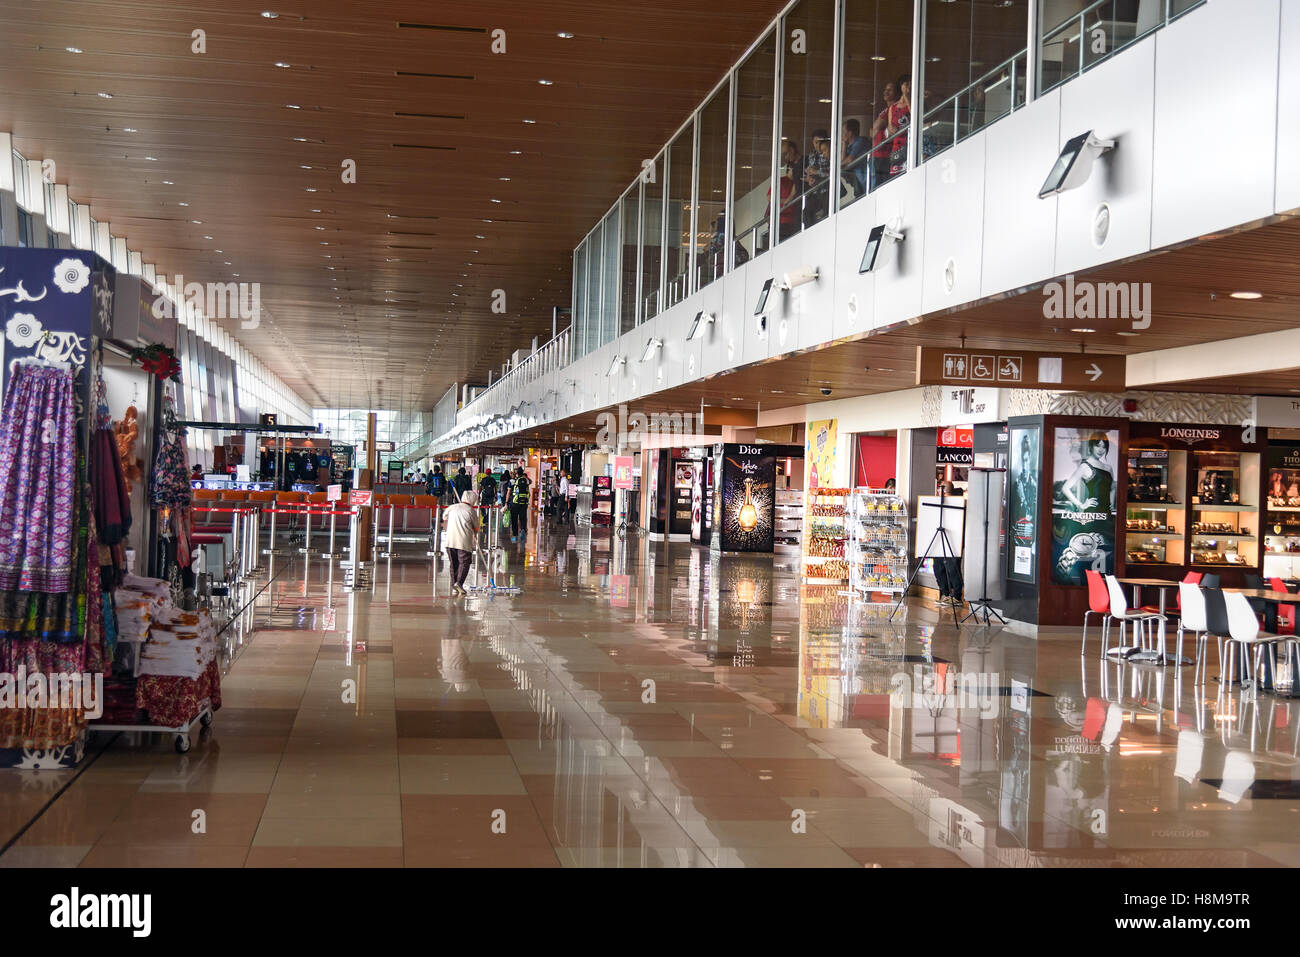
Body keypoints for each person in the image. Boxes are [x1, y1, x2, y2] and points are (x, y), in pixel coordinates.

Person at [442, 489, 480, 597]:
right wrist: (475, 532)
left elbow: (444, 517)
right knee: (464, 562)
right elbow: (476, 527)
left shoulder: (452, 507)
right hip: (463, 541)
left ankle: (454, 584)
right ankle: (459, 583)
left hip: (450, 540)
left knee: (454, 563)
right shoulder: (471, 511)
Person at [935, 481, 965, 606]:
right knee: (938, 567)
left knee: (953, 569)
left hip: (954, 540)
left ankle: (957, 596)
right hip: (939, 540)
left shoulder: (958, 503)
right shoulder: (937, 503)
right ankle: (946, 594)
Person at [841, 118, 871, 198]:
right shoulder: (848, 146)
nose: (842, 134)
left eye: (843, 132)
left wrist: (841, 164)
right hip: (859, 180)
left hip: (868, 178)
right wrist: (844, 145)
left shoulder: (861, 141)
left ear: (850, 133)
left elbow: (850, 159)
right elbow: (842, 163)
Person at [509, 467, 530, 541]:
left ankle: (515, 535)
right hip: (524, 502)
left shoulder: (513, 481)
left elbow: (509, 492)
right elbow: (530, 482)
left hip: (515, 502)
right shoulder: (526, 481)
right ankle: (523, 529)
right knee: (523, 517)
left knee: (514, 518)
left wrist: (506, 502)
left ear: (517, 473)